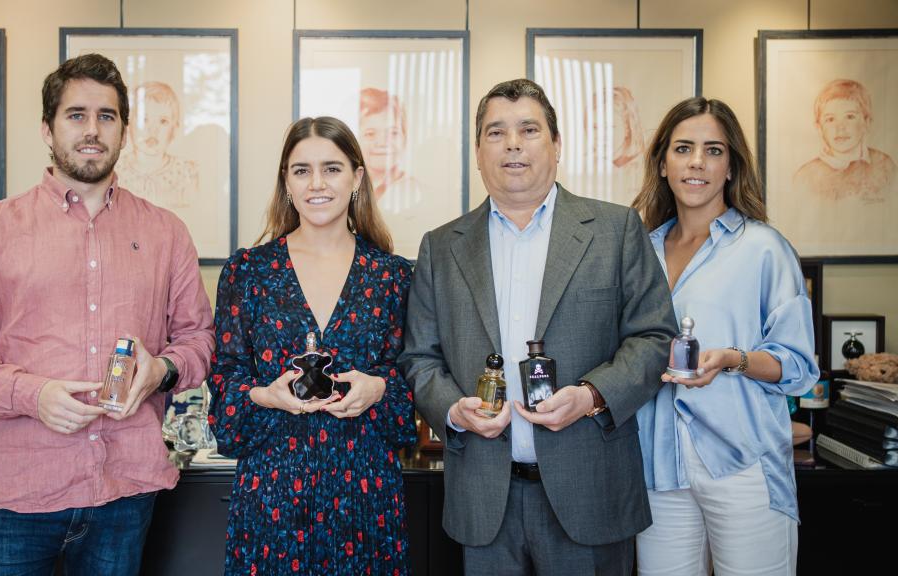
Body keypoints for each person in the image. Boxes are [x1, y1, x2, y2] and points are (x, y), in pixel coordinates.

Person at [0, 54, 215, 575]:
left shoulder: (166, 233)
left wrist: (162, 372)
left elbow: (197, 339)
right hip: (17, 498)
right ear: (47, 128)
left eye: (107, 116)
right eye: (76, 114)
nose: (92, 130)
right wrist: (32, 395)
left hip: (125, 494)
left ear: (124, 131)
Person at [399, 78, 677, 575]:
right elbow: (420, 358)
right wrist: (455, 411)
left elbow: (655, 337)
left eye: (529, 129)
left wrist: (592, 395)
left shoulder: (615, 231)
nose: (512, 144)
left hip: (590, 489)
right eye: (495, 132)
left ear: (556, 144)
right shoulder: (441, 247)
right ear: (478, 153)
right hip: (485, 500)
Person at [209, 116, 416, 574]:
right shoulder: (248, 273)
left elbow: (412, 389)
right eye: (301, 170)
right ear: (285, 181)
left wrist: (379, 389)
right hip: (271, 500)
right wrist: (262, 395)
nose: (316, 183)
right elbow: (223, 387)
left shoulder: (393, 277)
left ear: (357, 177)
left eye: (332, 168)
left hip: (365, 500)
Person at [630, 96, 819, 575]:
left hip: (743, 466)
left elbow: (798, 368)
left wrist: (732, 360)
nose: (697, 162)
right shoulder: (638, 251)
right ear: (663, 162)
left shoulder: (763, 249)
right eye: (683, 148)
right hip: (658, 466)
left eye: (713, 150)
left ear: (731, 166)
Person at [793, 78, 896, 202]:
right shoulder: (806, 176)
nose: (840, 127)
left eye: (849, 117)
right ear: (819, 127)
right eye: (830, 119)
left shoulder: (884, 165)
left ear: (866, 122)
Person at [118, 81, 200, 208]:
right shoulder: (116, 172)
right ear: (128, 125)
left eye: (163, 121)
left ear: (175, 129)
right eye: (144, 119)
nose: (153, 129)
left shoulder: (185, 173)